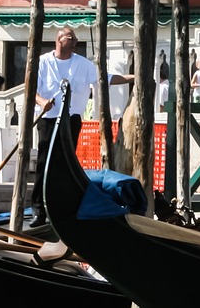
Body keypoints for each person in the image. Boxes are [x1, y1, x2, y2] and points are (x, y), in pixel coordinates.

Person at [30, 27, 134, 227]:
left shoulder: (82, 64)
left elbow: (107, 78)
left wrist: (133, 78)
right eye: (71, 38)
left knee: (66, 163)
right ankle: (38, 209)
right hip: (48, 118)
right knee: (45, 163)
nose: (75, 42)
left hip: (72, 120)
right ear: (59, 40)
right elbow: (31, 90)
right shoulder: (43, 62)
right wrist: (43, 102)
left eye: (76, 39)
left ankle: (59, 206)